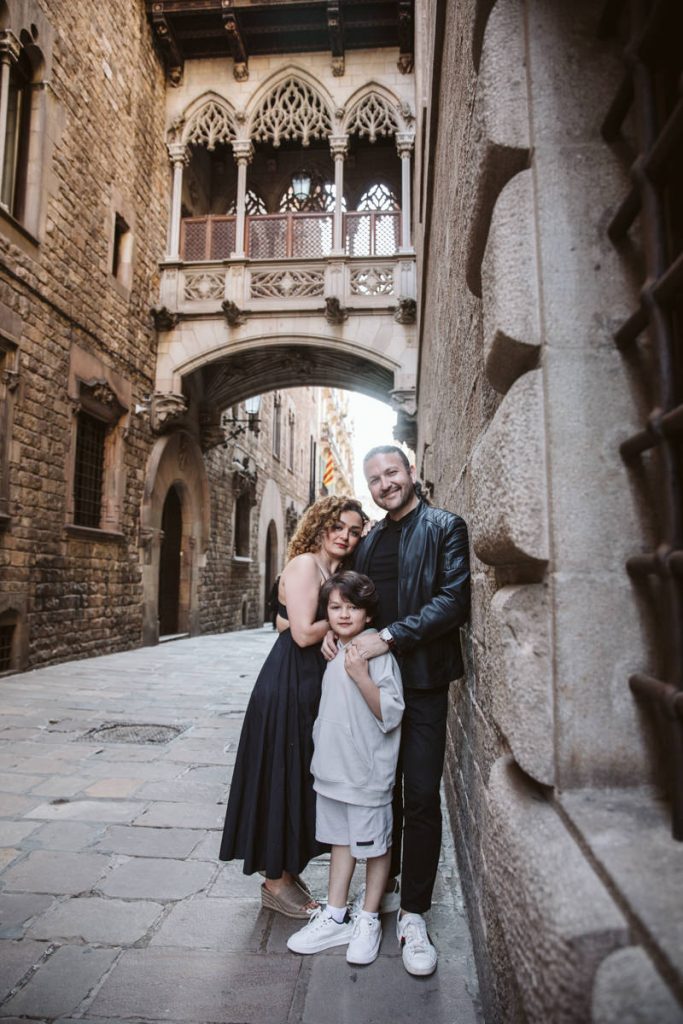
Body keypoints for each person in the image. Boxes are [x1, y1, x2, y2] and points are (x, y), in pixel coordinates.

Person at [323, 445, 470, 976]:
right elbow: (352, 596)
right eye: (375, 478)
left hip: (424, 682)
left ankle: (414, 914)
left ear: (411, 472)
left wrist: (388, 636)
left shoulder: (446, 527)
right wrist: (337, 633)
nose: (385, 483)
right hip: (373, 690)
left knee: (422, 795)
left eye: (392, 472)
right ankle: (373, 899)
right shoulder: (372, 540)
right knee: (376, 791)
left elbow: (454, 600)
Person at [219, 496, 366, 918]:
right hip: (288, 683)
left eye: (354, 531)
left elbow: (288, 619)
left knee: (301, 775)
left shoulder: (335, 572)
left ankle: (285, 868)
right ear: (320, 525)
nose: (345, 536)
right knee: (282, 775)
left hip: (311, 685)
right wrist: (358, 621)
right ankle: (275, 883)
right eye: (337, 526)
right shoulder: (305, 564)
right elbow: (301, 633)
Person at [287, 571, 404, 965]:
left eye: (352, 608)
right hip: (334, 772)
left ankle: (368, 918)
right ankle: (336, 913)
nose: (343, 614)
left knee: (374, 846)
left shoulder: (376, 655)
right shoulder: (334, 651)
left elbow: (390, 712)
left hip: (366, 774)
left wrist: (360, 676)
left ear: (368, 615)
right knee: (341, 841)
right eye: (335, 607)